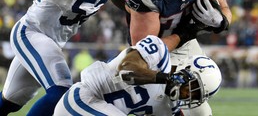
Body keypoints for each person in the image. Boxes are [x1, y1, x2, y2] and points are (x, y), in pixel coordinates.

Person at [0, 0, 132, 116]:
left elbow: (128, 5)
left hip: (51, 43)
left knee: (10, 101)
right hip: (31, 32)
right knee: (60, 91)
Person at [54, 35, 222, 116]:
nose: (186, 95)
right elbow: (126, 70)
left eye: (194, 95)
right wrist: (164, 79)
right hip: (82, 99)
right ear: (186, 68)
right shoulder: (158, 52)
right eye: (189, 87)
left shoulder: (170, 106)